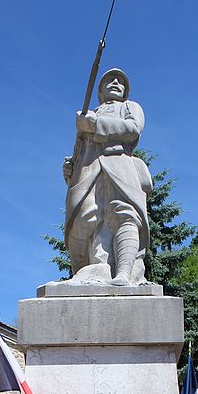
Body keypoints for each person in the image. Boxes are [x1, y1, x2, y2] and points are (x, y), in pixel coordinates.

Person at [63, 68, 152, 286]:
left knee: (125, 214)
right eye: (109, 80)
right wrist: (69, 169)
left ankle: (123, 274)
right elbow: (80, 151)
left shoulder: (129, 107)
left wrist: (95, 125)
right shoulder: (88, 114)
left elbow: (133, 129)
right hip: (88, 171)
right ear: (100, 91)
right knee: (82, 220)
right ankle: (86, 274)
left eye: (120, 80)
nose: (115, 82)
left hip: (119, 164)